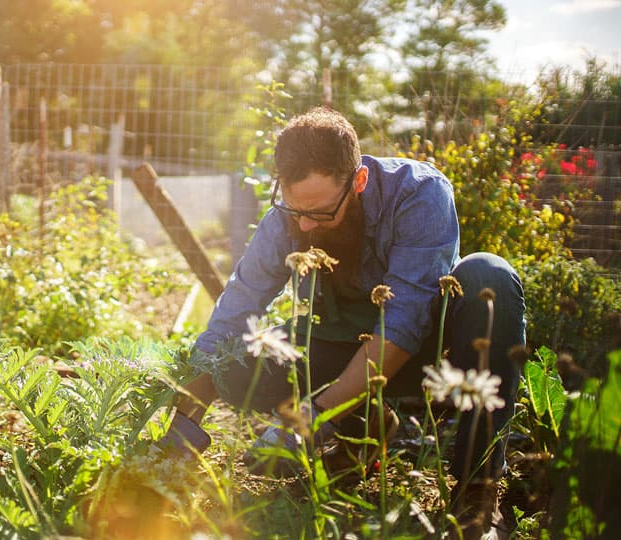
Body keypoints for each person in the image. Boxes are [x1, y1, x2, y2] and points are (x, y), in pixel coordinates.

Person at [157, 107, 525, 537]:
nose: (306, 224)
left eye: (321, 214)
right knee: (236, 365)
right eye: (296, 211)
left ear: (359, 182)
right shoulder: (289, 217)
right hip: (341, 347)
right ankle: (362, 430)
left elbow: (404, 324)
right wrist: (182, 424)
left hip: (428, 357)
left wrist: (313, 416)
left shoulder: (419, 194)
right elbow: (235, 310)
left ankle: (476, 492)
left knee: (490, 278)